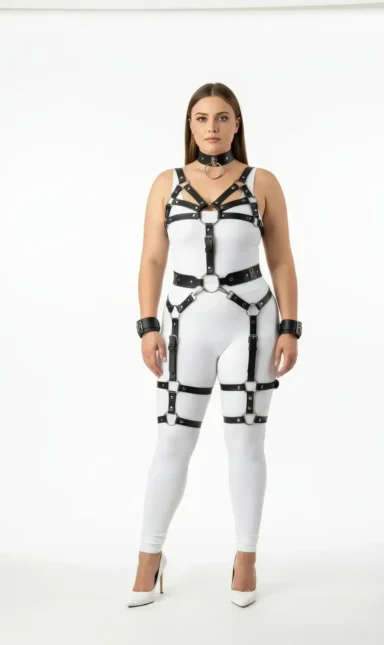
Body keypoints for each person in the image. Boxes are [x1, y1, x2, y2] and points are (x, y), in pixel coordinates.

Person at [127, 82, 302, 608]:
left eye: (222, 117)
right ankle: (149, 557)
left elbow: (282, 259)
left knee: (246, 444)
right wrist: (147, 325)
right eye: (201, 118)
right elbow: (152, 259)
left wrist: (290, 326)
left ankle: (246, 557)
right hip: (183, 326)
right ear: (190, 125)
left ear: (236, 124)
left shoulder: (262, 182)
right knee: (171, 444)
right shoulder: (166, 183)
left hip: (252, 323)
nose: (211, 127)